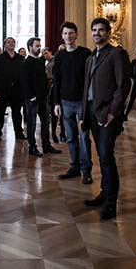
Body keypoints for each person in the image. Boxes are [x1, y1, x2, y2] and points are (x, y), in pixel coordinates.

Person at [81, 18, 131, 220]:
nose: (97, 33)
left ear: (108, 33)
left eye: (101, 30)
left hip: (108, 114)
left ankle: (111, 203)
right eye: (94, 30)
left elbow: (123, 86)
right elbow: (86, 89)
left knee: (106, 155)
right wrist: (83, 115)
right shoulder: (90, 58)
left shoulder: (117, 54)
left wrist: (113, 112)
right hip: (92, 113)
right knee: (101, 157)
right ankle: (104, 193)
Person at [53, 21, 93, 184]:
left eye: (71, 33)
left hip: (82, 103)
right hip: (65, 103)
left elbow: (90, 79)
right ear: (62, 36)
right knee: (70, 138)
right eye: (65, 33)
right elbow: (56, 80)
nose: (68, 36)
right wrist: (56, 103)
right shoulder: (59, 56)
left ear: (76, 35)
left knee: (84, 137)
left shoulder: (85, 53)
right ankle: (74, 167)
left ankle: (86, 170)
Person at [20, 37, 61, 157]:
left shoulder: (39, 61)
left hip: (43, 98)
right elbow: (24, 82)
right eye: (37, 46)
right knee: (32, 124)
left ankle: (46, 145)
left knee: (46, 122)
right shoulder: (26, 63)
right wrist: (31, 96)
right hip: (33, 100)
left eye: (39, 45)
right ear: (30, 47)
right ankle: (32, 147)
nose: (39, 48)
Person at [0, 37, 27, 141]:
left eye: (13, 42)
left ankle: (19, 132)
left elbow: (23, 75)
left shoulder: (20, 58)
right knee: (0, 112)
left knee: (17, 112)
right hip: (3, 89)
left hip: (16, 90)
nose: (11, 44)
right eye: (8, 42)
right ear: (5, 45)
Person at [42, 47, 58, 143]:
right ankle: (52, 133)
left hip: (54, 87)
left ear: (50, 52)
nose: (45, 55)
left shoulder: (55, 61)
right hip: (47, 88)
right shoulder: (45, 63)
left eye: (46, 53)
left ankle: (55, 133)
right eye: (43, 54)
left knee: (55, 111)